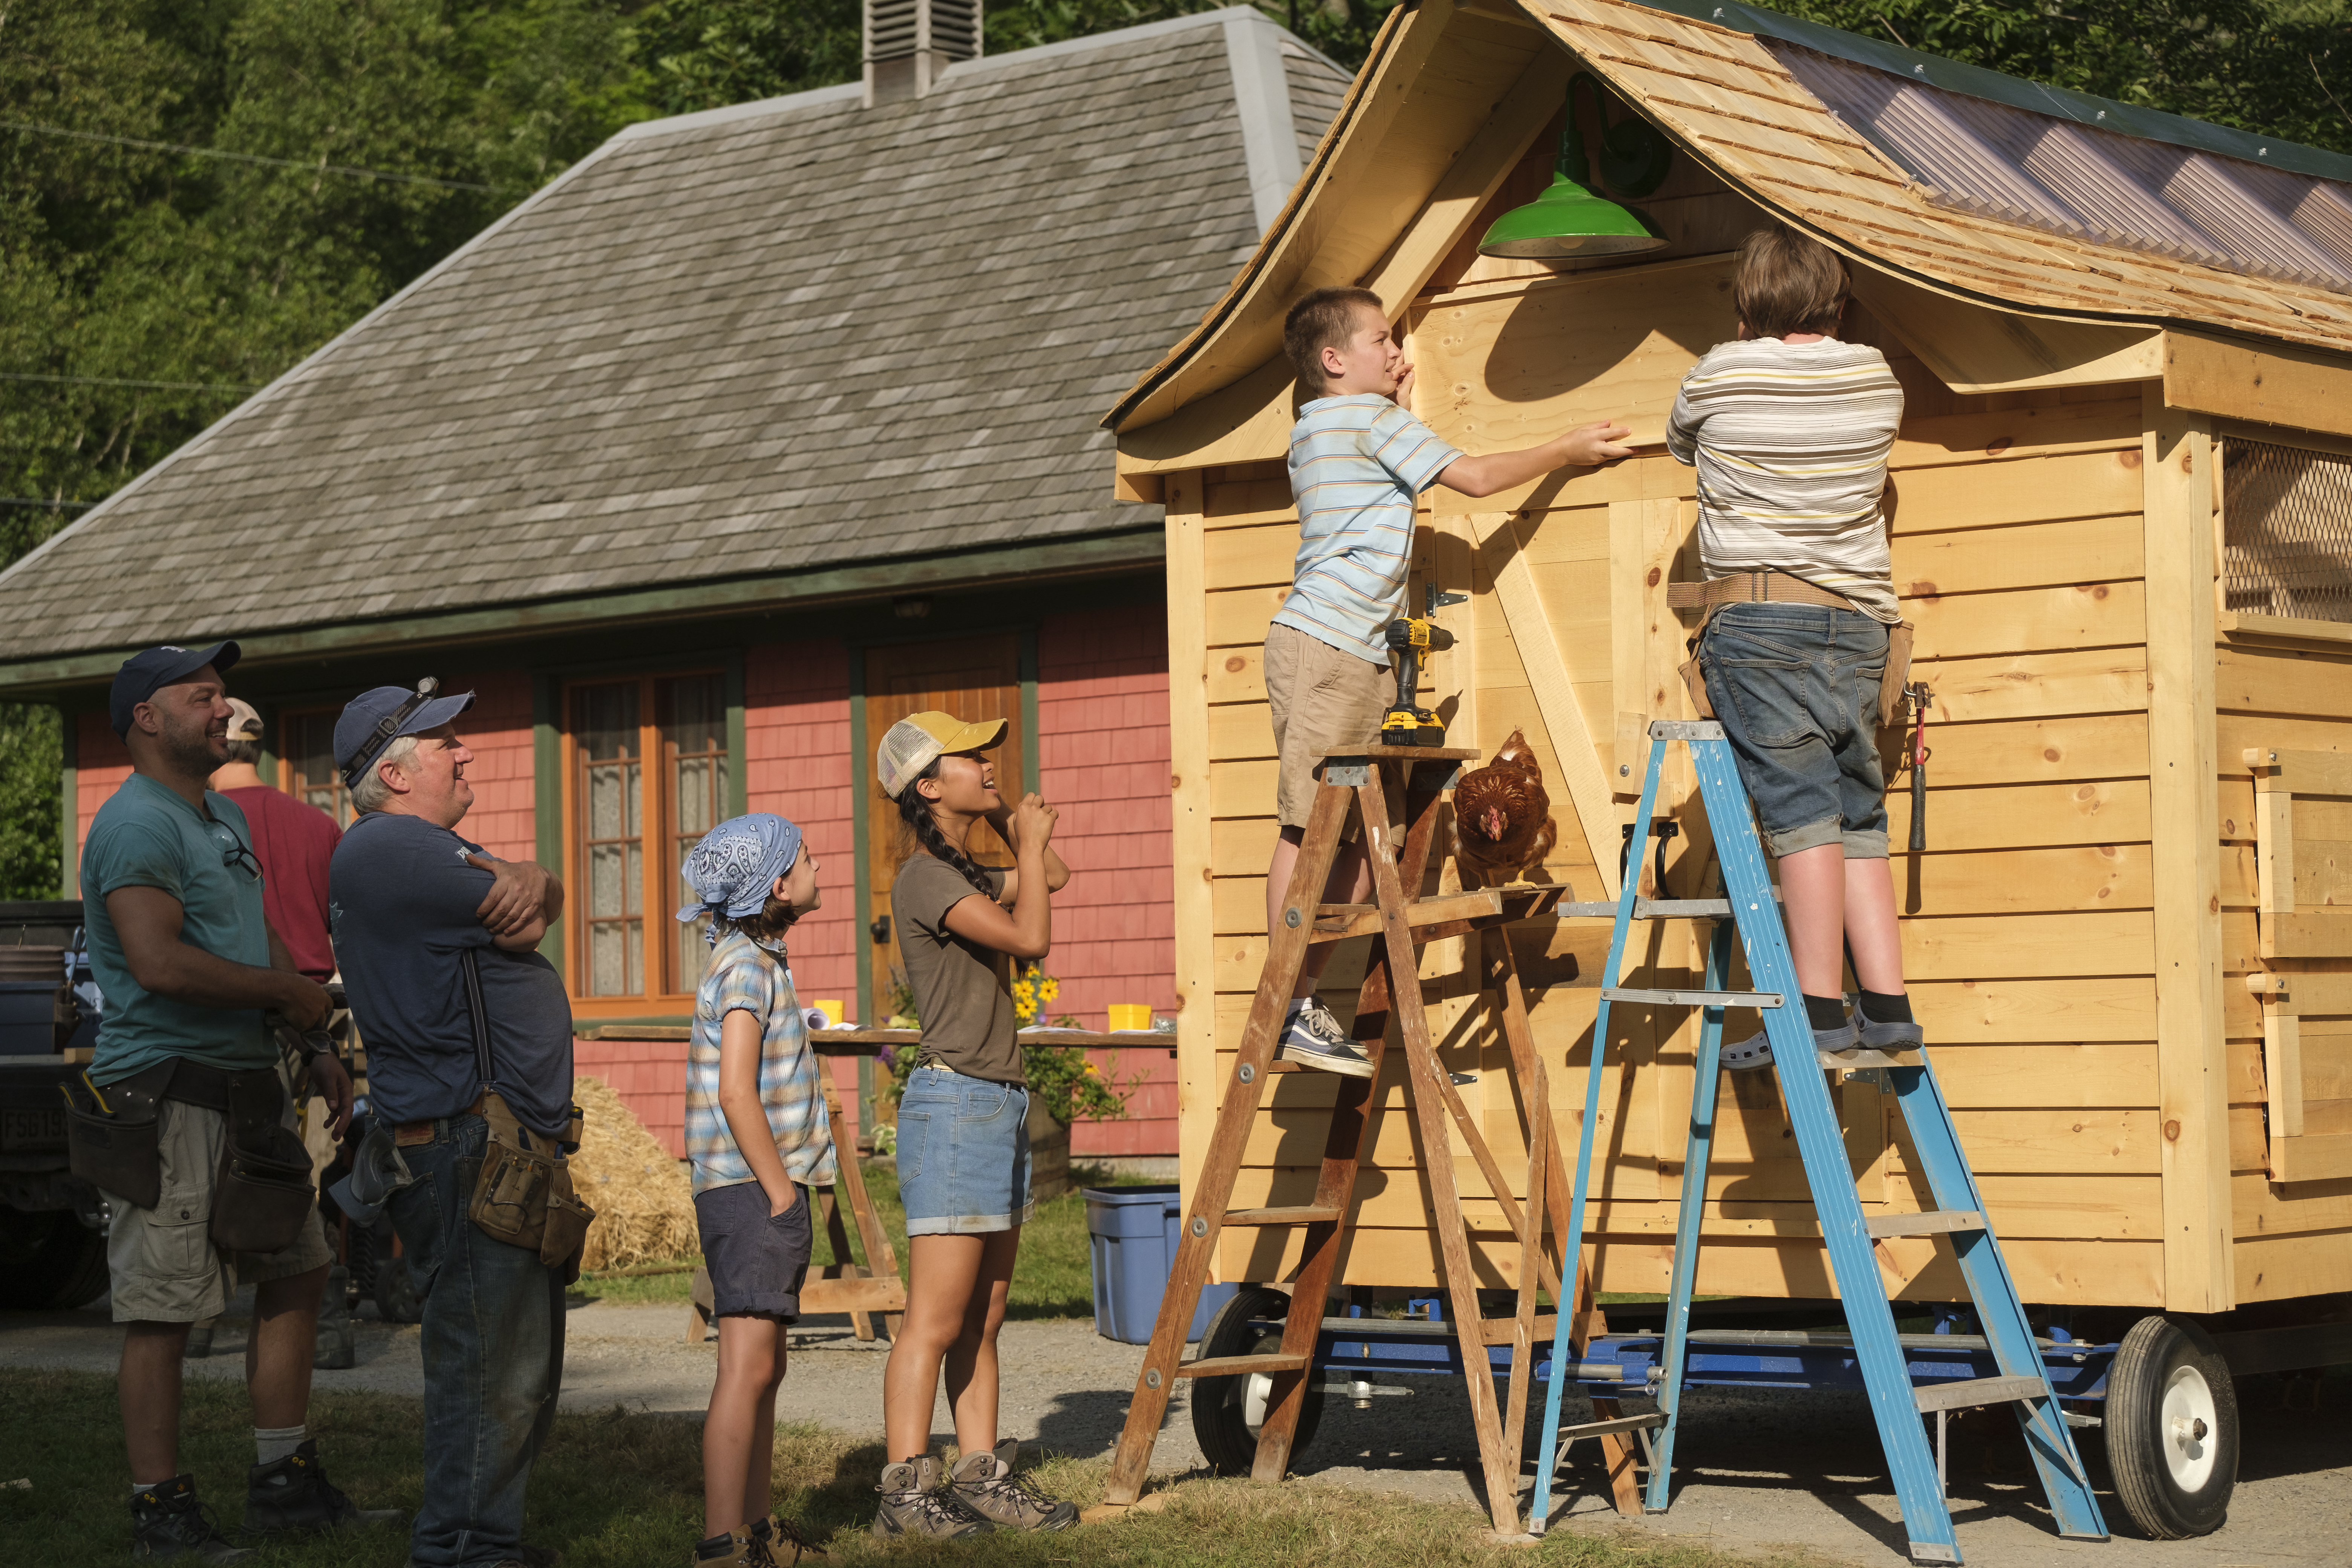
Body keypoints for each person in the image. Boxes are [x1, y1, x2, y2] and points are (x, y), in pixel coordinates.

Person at [1265, 286, 1634, 1074]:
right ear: (1334, 361)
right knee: (1310, 826)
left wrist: (1394, 397)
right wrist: (1563, 453)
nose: (1399, 353)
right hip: (1330, 647)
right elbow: (1473, 477)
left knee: (1363, 841)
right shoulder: (1370, 421)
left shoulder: (1318, 425)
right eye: (1383, 340)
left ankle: (1304, 999)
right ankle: (1290, 1003)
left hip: (1345, 651)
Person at [78, 642, 389, 1561]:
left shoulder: (216, 819)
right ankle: (161, 1512)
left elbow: (244, 953)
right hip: (167, 1095)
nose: (223, 709)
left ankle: (283, 1483)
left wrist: (311, 1046)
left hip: (251, 1085)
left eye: (222, 695)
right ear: (148, 716)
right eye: (202, 696)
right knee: (165, 1309)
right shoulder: (137, 824)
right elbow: (159, 963)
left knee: (297, 1272)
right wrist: (284, 997)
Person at [326, 680, 574, 1568]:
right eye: (446, 744)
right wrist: (529, 878)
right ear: (394, 773)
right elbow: (535, 911)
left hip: (488, 1144)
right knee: (487, 1375)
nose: (467, 753)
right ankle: (461, 1553)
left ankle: (481, 1542)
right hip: (470, 1148)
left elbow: (535, 897)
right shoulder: (393, 846)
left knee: (517, 1370)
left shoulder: (410, 848)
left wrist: (530, 875)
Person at [1667, 224, 1920, 1065]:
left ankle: (1816, 1012)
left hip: (1763, 619)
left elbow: (1682, 443)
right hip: (1858, 628)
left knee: (1799, 816)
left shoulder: (1718, 372)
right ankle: (1886, 1007)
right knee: (1859, 814)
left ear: (1746, 306)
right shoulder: (1876, 377)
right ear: (1838, 302)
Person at [871, 712, 1075, 1538]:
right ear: (927, 785)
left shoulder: (962, 867)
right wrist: (1017, 834)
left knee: (985, 1317)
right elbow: (1033, 940)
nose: (989, 760)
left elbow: (1051, 875)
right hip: (955, 1107)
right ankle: (902, 1492)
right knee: (935, 1318)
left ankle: (980, 1474)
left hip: (997, 1103)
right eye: (969, 757)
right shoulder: (925, 879)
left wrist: (1002, 819)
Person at [674, 814, 833, 1568]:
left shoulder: (760, 961)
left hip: (759, 1191)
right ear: (776, 884)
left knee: (766, 1364)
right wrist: (778, 1192)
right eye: (806, 857)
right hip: (749, 1193)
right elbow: (738, 1092)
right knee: (745, 1367)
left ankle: (758, 1531)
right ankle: (721, 1544)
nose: (818, 864)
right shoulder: (744, 968)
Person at [208, 698, 341, 983]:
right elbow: (345, 918)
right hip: (319, 999)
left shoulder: (205, 821)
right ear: (257, 750)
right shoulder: (322, 824)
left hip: (245, 996)